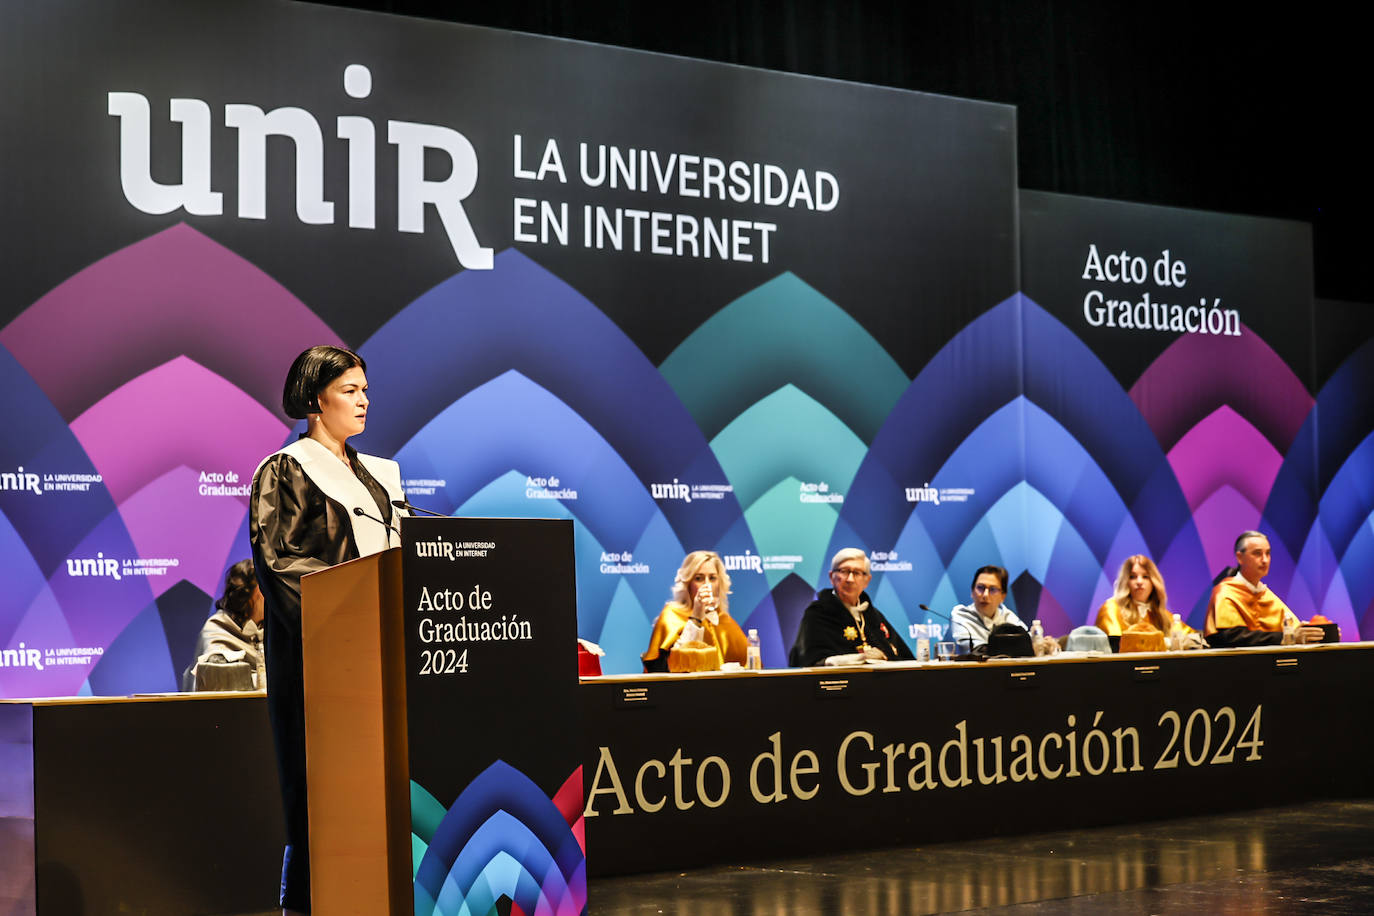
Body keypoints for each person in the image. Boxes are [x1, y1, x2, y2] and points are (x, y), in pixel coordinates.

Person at [250, 346, 407, 915]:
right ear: (316, 400)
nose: (364, 400)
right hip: (324, 661)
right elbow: (282, 562)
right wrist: (354, 616)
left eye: (366, 389)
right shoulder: (285, 471)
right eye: (350, 391)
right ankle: (305, 904)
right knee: (321, 794)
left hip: (388, 659)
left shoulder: (381, 476)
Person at [788, 548, 913, 666]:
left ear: (866, 580)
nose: (850, 579)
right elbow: (811, 661)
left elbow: (902, 658)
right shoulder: (817, 613)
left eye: (857, 573)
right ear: (832, 577)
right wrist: (862, 659)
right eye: (844, 571)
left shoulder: (873, 615)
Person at [1204, 531, 1325, 647]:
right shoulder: (1225, 591)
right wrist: (1287, 637)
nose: (1265, 560)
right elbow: (1231, 637)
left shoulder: (1265, 593)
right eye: (1257, 553)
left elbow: (1292, 628)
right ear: (1239, 557)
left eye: (1268, 553)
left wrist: (1314, 632)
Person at [642, 550, 749, 672]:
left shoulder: (723, 619)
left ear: (720, 583)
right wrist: (696, 617)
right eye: (699, 578)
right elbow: (668, 666)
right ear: (688, 583)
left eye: (713, 578)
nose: (707, 585)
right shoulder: (671, 615)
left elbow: (749, 665)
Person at [182, 558, 266, 691]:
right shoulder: (216, 629)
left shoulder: (271, 631)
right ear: (249, 596)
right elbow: (216, 680)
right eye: (264, 588)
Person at [1095, 555, 1200, 647]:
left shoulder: (1162, 615)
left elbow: (1194, 639)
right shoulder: (1111, 609)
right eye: (1133, 577)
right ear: (1125, 581)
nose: (1139, 582)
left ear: (1154, 582)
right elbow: (1115, 648)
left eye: (1145, 577)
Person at [950, 566, 1027, 651]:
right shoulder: (961, 616)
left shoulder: (1007, 616)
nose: (985, 595)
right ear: (972, 592)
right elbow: (972, 649)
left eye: (992, 589)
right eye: (980, 588)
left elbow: (1028, 641)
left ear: (1003, 596)